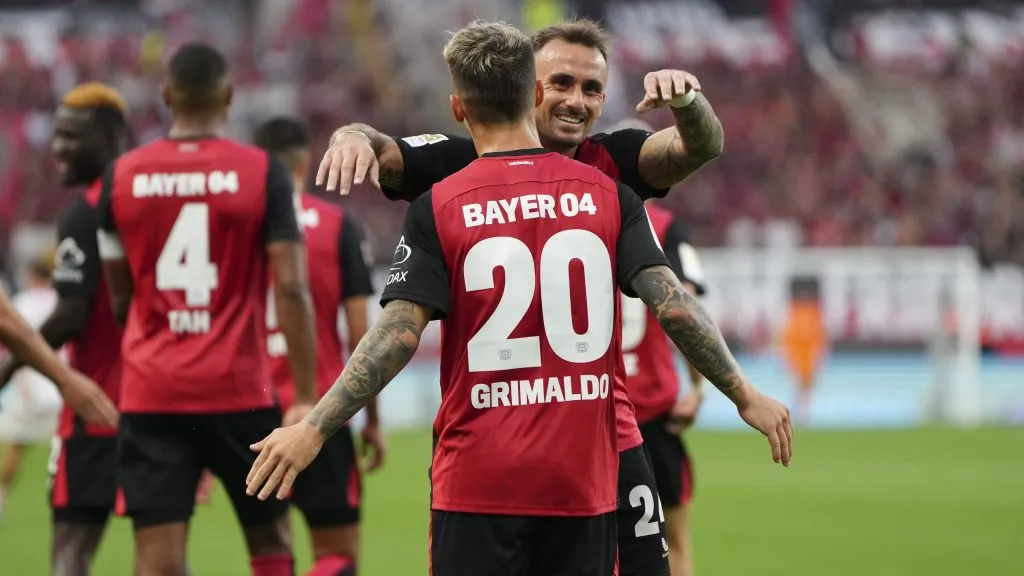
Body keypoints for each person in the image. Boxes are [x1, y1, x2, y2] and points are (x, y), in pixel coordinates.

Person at [247, 19, 792, 576]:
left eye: (592, 89)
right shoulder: (605, 191)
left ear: (464, 104)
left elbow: (399, 331)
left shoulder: (469, 189)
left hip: (564, 451)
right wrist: (352, 135)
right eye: (560, 83)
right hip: (579, 462)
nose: (576, 101)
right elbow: (674, 302)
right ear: (528, 86)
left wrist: (689, 100)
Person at [93, 43, 317, 576]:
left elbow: (121, 298)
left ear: (167, 96)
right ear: (229, 96)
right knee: (270, 539)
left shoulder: (120, 177)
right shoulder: (262, 173)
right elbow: (291, 289)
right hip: (238, 389)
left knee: (158, 556)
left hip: (153, 392)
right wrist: (304, 395)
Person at [0, 83, 124, 575]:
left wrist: (14, 368)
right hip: (162, 402)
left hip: (96, 401)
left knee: (70, 555)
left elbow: (69, 311)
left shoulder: (86, 211)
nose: (58, 150)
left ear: (109, 134)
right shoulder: (151, 194)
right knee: (163, 557)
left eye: (70, 137)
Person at [253, 116, 380, 576]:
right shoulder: (338, 225)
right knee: (337, 557)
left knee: (268, 550)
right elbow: (364, 334)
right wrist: (373, 422)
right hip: (321, 413)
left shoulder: (240, 227)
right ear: (304, 163)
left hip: (251, 409)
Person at [0, 252, 62, 519]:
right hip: (61, 383)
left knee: (16, 448)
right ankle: (62, 506)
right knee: (64, 451)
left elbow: (10, 343)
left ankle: (2, 500)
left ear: (31, 276)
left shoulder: (21, 303)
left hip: (29, 384)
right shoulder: (59, 301)